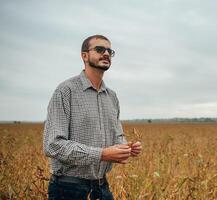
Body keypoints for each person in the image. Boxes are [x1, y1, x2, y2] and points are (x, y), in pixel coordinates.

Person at [43, 34, 142, 200]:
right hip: (68, 188)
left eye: (110, 51)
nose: (106, 53)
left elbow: (117, 136)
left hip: (102, 187)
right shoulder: (65, 91)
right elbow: (53, 145)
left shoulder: (112, 96)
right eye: (100, 49)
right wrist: (101, 154)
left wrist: (126, 148)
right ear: (84, 55)